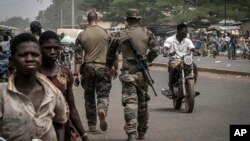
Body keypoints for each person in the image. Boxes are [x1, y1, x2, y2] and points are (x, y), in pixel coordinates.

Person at [0, 33, 67, 140]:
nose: (30, 59)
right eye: (23, 55)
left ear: (40, 59)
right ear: (12, 61)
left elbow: (60, 124)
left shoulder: (53, 92)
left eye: (35, 55)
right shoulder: (2, 94)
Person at [106, 9, 159, 141]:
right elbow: (155, 50)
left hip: (128, 73)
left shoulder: (119, 34)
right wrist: (146, 61)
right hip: (142, 74)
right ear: (138, 19)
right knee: (142, 103)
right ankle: (141, 132)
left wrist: (110, 67)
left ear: (127, 19)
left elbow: (111, 54)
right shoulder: (147, 32)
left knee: (130, 102)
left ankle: (131, 134)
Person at [39, 31, 89, 141]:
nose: (52, 52)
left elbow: (71, 108)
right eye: (47, 48)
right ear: (39, 49)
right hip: (39, 131)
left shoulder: (65, 73)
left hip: (63, 129)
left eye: (56, 48)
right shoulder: (33, 74)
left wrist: (84, 135)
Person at [73, 11, 117, 132]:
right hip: (103, 67)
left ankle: (92, 125)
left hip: (87, 68)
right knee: (103, 94)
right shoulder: (107, 33)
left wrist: (76, 74)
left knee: (89, 97)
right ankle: (102, 108)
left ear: (88, 20)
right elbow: (114, 53)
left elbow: (77, 57)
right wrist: (114, 68)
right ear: (97, 20)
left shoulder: (82, 34)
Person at [163, 23, 198, 94]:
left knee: (195, 67)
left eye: (186, 31)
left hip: (185, 60)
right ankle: (170, 88)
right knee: (173, 68)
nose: (186, 33)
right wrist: (167, 52)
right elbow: (165, 49)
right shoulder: (170, 39)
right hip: (175, 60)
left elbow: (192, 48)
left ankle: (192, 87)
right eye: (184, 31)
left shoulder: (187, 40)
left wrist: (197, 51)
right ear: (178, 31)